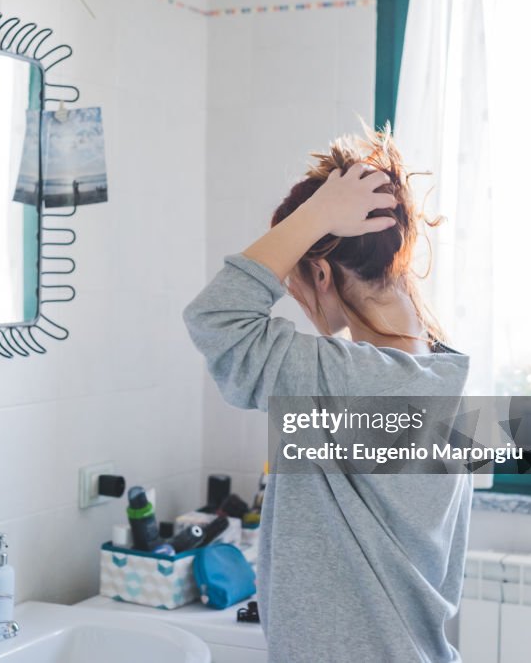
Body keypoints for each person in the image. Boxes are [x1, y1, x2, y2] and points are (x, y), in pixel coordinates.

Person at [183, 128, 471, 662]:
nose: (293, 295)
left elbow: (215, 319)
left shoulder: (347, 382)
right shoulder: (440, 373)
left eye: (293, 279)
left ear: (319, 270)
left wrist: (314, 217)